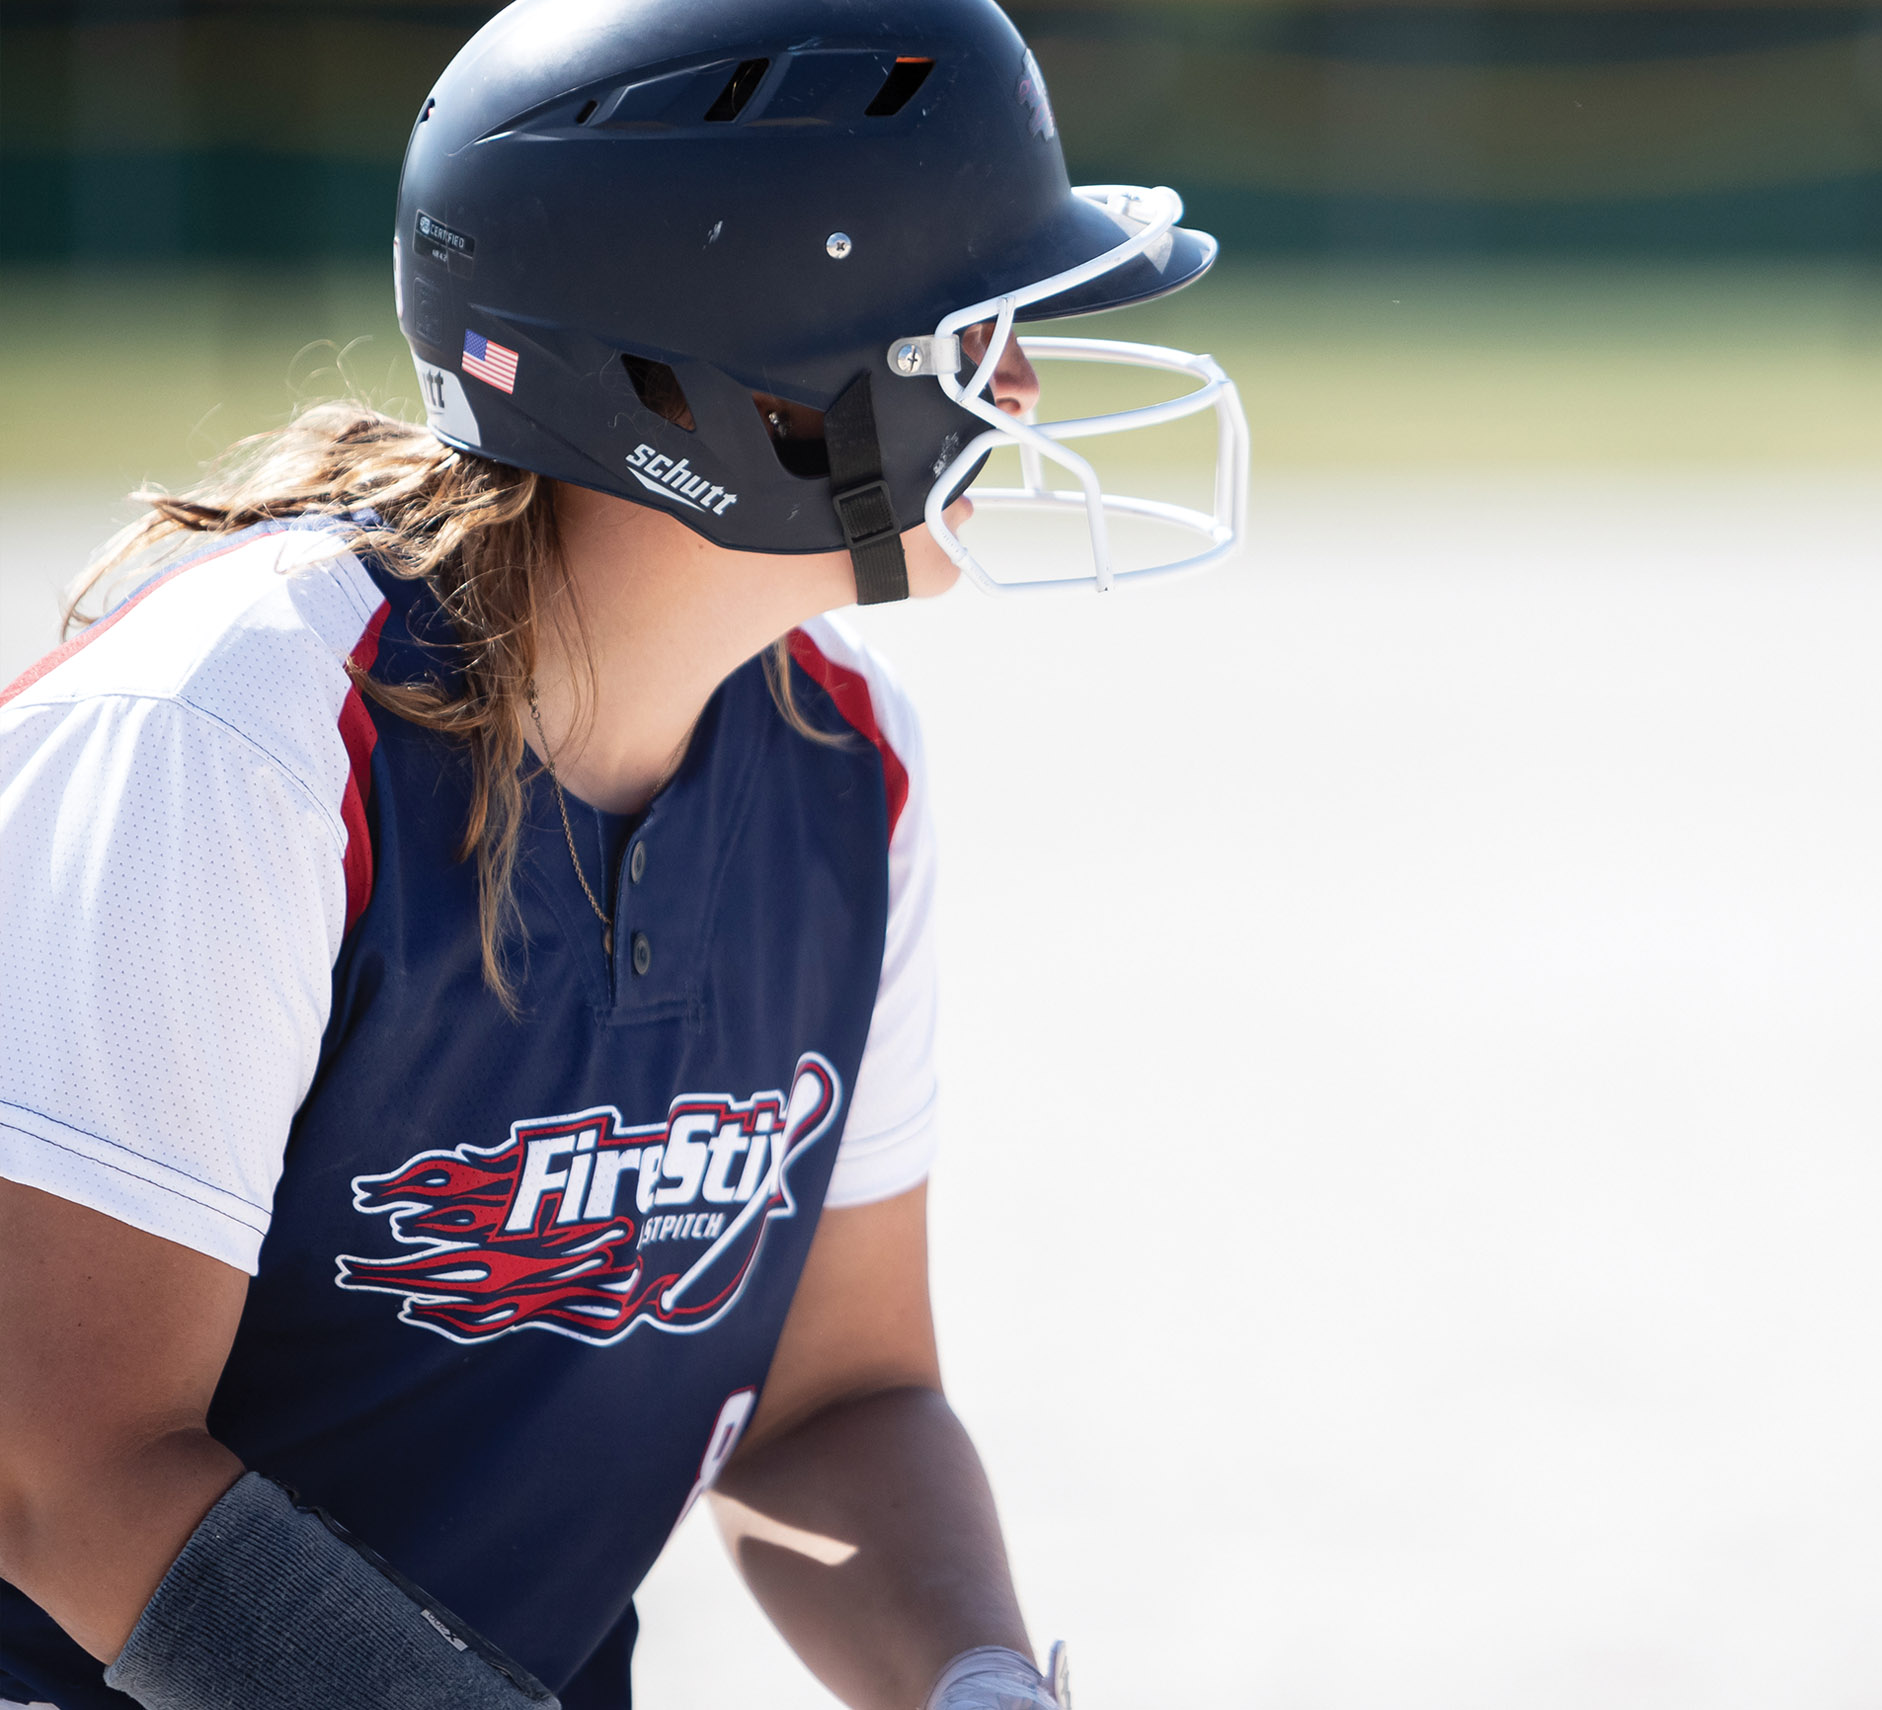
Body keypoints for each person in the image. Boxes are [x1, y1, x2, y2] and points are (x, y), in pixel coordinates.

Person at [0, 0, 1243, 1706]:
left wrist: (975, 1684)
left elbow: (835, 1405)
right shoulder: (235, 737)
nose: (1017, 386)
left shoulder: (843, 760)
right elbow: (56, 1472)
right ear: (747, 383)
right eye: (971, 326)